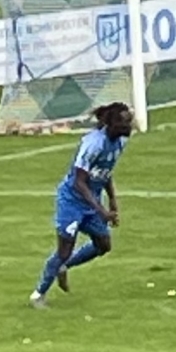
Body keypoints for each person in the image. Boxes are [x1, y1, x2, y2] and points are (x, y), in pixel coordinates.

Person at [31, 102, 134, 308]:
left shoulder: (119, 142)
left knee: (103, 245)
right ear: (111, 124)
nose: (128, 126)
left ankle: (64, 267)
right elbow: (79, 182)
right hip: (71, 201)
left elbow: (105, 172)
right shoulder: (93, 144)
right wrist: (101, 210)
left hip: (91, 200)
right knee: (64, 250)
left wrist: (112, 201)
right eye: (124, 123)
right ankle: (38, 294)